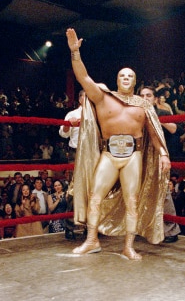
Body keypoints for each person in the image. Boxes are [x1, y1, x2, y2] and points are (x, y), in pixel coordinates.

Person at [66, 28, 171, 260]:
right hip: (108, 153)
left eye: (130, 76)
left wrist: (163, 154)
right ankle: (91, 240)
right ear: (117, 79)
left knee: (132, 200)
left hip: (134, 154)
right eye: (122, 75)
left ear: (135, 81)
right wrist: (75, 53)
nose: (125, 78)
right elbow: (83, 78)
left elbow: (155, 133)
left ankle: (128, 246)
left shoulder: (144, 105)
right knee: (95, 196)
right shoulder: (103, 97)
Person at [140, 86, 181, 243]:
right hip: (141, 158)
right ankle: (144, 228)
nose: (145, 98)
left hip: (159, 158)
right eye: (142, 95)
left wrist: (157, 121)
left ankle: (171, 231)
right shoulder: (135, 114)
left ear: (155, 98)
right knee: (141, 194)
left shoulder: (162, 113)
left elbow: (176, 129)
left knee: (164, 194)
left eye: (148, 95)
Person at [59, 90, 85, 161]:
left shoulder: (97, 115)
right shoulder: (72, 114)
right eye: (86, 97)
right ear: (80, 100)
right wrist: (68, 124)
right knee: (74, 171)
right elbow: (64, 134)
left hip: (93, 151)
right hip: (76, 151)